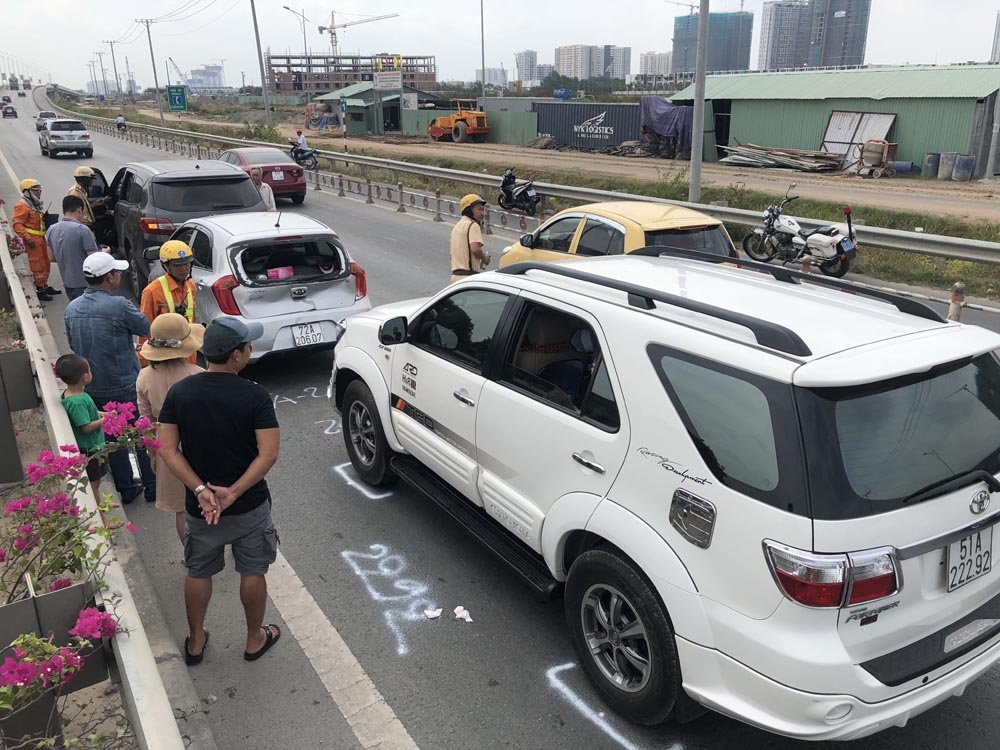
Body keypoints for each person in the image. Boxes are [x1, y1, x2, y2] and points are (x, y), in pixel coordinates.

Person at [157, 318, 281, 666]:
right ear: (237, 355)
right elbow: (268, 453)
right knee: (252, 570)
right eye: (248, 346)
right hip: (249, 506)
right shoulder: (255, 395)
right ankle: (254, 638)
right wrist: (234, 492)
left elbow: (167, 448)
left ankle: (195, 641)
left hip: (200, 508)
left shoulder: (180, 392)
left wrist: (199, 489)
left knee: (198, 571)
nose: (251, 350)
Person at [64, 252, 157, 505]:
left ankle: (126, 488)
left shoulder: (72, 308)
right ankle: (152, 485)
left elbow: (74, 345)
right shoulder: (119, 305)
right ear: (109, 277)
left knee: (111, 439)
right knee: (139, 435)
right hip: (125, 382)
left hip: (92, 386)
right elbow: (145, 328)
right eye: (117, 272)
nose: (120, 275)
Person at [137, 314, 205, 544]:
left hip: (165, 443)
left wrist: (153, 454)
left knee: (181, 507)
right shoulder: (199, 375)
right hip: (200, 442)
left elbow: (145, 421)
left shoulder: (144, 377)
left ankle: (191, 553)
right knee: (209, 495)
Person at [55, 353, 107, 500]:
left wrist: (103, 414)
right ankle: (102, 514)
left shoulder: (74, 394)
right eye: (89, 370)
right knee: (94, 482)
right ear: (85, 376)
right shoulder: (77, 402)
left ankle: (100, 500)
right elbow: (86, 426)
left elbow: (89, 412)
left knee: (97, 480)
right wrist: (105, 420)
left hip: (93, 445)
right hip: (90, 448)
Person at [139, 240, 197, 367]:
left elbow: (193, 321)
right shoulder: (152, 291)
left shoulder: (191, 287)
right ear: (166, 266)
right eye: (177, 266)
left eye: (186, 264)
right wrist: (145, 361)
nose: (183, 269)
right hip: (165, 358)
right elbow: (145, 328)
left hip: (188, 355)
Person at [46, 195, 102, 301]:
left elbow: (51, 258)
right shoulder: (83, 230)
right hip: (86, 284)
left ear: (64, 210)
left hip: (68, 283)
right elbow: (94, 259)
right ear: (79, 210)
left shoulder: (51, 229)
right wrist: (104, 252)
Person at [12, 178, 60, 301]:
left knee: (46, 262)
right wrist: (28, 239)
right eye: (36, 190)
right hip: (33, 240)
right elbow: (17, 224)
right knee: (37, 264)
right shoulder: (22, 205)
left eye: (39, 190)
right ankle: (40, 289)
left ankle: (44, 285)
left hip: (40, 238)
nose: (39, 192)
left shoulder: (34, 204)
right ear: (27, 192)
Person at [449, 194, 491, 284]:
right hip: (468, 278)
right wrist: (484, 259)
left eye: (483, 209)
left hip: (455, 278)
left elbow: (452, 255)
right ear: (469, 210)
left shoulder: (456, 227)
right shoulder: (473, 225)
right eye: (479, 209)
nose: (482, 213)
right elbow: (475, 248)